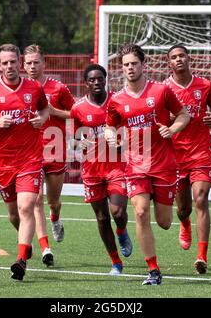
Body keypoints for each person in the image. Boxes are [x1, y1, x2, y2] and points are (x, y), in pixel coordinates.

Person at [105, 43, 190, 285]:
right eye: (125, 65)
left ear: (143, 65)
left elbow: (184, 114)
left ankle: (183, 220)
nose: (130, 68)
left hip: (164, 165)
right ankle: (153, 270)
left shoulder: (161, 91)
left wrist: (172, 129)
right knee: (141, 213)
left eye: (134, 63)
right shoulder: (117, 100)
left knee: (164, 222)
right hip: (136, 166)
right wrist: (111, 136)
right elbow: (110, 126)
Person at [0, 43, 49, 281]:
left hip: (30, 159)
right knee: (14, 215)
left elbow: (45, 110)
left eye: (13, 62)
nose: (9, 66)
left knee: (27, 207)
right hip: (3, 162)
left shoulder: (34, 87)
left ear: (20, 63)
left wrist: (41, 119)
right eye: (5, 63)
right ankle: (25, 243)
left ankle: (21, 261)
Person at [164, 44, 211, 274]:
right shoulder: (164, 89)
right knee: (183, 209)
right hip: (175, 156)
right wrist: (168, 119)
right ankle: (185, 223)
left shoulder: (205, 85)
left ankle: (201, 256)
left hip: (200, 153)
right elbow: (156, 119)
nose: (178, 60)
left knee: (201, 199)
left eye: (182, 56)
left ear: (189, 58)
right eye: (174, 57)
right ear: (169, 63)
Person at [70, 64, 132, 275]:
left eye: (100, 78)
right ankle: (115, 262)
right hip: (92, 170)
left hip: (117, 166)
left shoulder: (117, 101)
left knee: (118, 211)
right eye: (92, 80)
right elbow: (74, 140)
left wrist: (121, 141)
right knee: (102, 218)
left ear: (106, 80)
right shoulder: (78, 109)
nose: (97, 82)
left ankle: (122, 231)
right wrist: (79, 143)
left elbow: (129, 130)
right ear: (86, 83)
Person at [23, 45, 75, 251]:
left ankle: (55, 218)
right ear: (23, 65)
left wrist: (54, 111)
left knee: (53, 202)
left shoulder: (58, 88)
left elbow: (76, 112)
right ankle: (46, 249)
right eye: (29, 63)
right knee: (36, 200)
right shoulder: (20, 88)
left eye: (36, 62)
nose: (33, 66)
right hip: (29, 151)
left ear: (44, 63)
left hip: (55, 149)